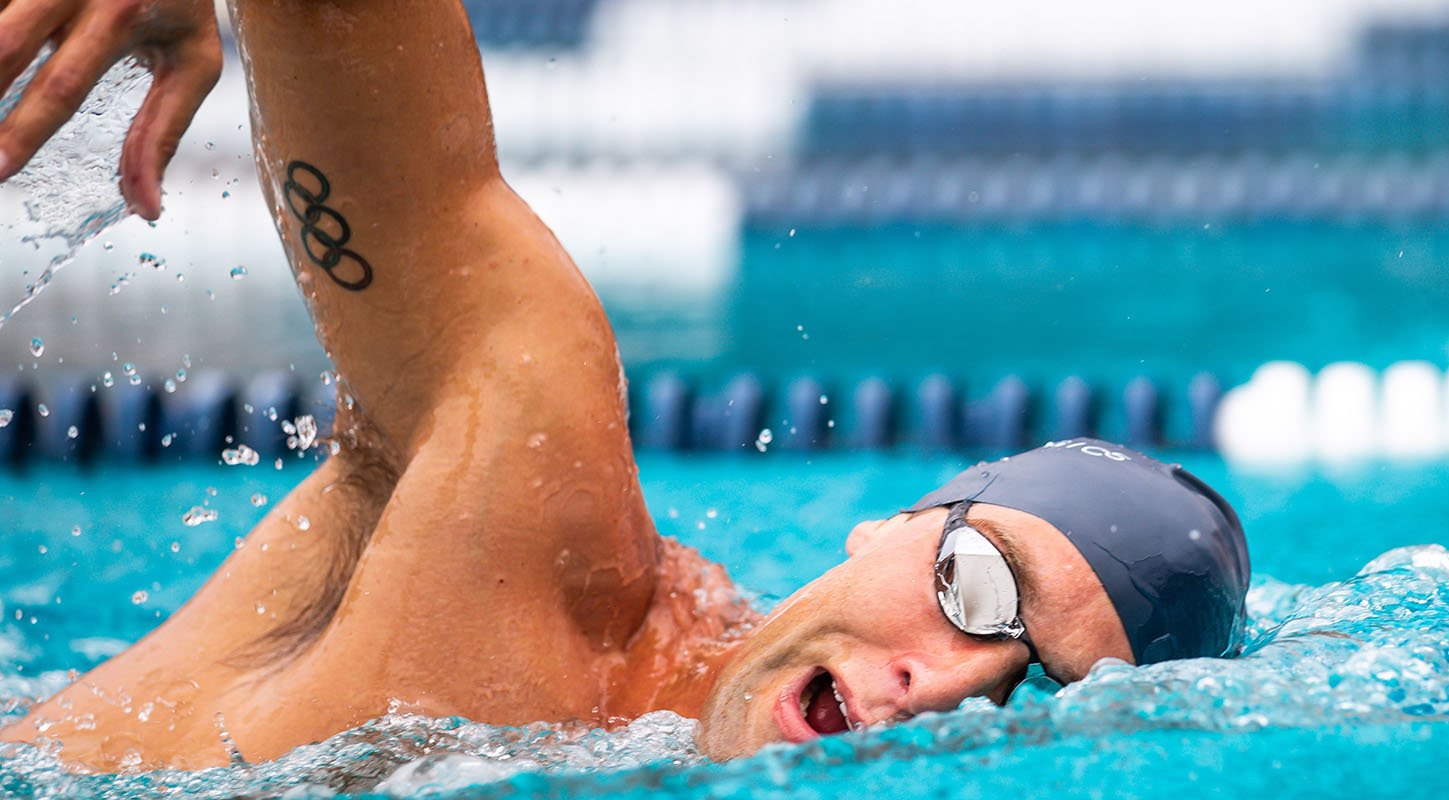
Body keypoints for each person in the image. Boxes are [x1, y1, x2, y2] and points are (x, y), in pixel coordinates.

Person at [0, 0, 1249, 771]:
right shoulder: (528, 518)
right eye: (976, 589)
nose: (947, 682)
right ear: (894, 523)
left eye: (1036, 689)